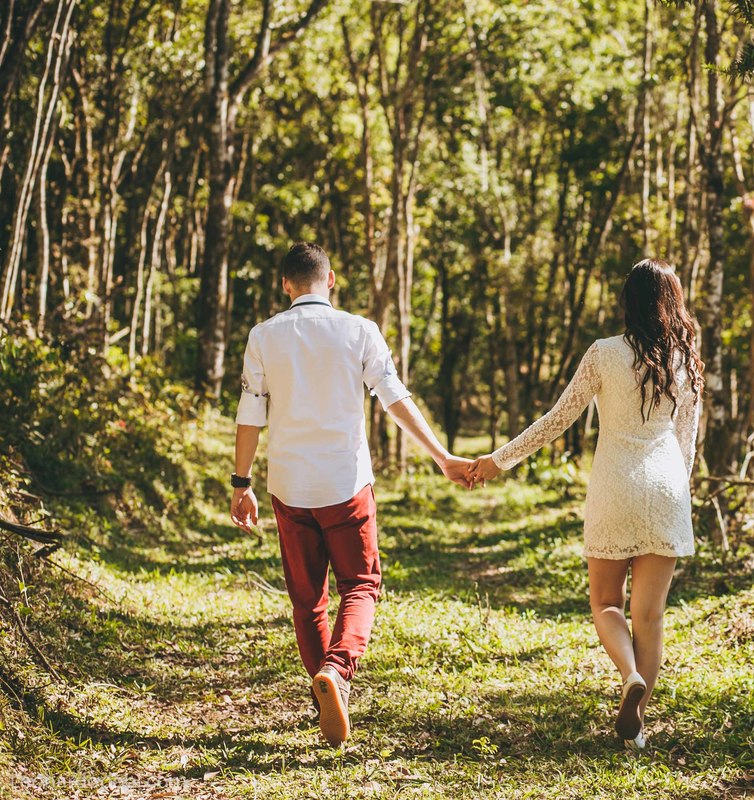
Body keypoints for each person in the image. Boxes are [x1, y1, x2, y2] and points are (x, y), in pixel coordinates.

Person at [229, 242, 474, 748]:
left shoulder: (263, 336)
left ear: (285, 285)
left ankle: (323, 689)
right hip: (345, 486)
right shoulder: (359, 330)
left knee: (307, 600)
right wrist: (441, 456)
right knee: (361, 584)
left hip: (289, 488)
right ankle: (337, 673)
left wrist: (241, 482)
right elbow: (394, 398)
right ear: (332, 279)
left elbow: (250, 413)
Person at [468, 259, 703, 750]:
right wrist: (681, 494)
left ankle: (628, 676)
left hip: (615, 485)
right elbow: (688, 441)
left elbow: (558, 420)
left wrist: (499, 460)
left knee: (604, 603)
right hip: (666, 486)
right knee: (651, 616)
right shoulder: (685, 360)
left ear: (628, 302)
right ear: (673, 302)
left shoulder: (603, 354)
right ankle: (636, 732)